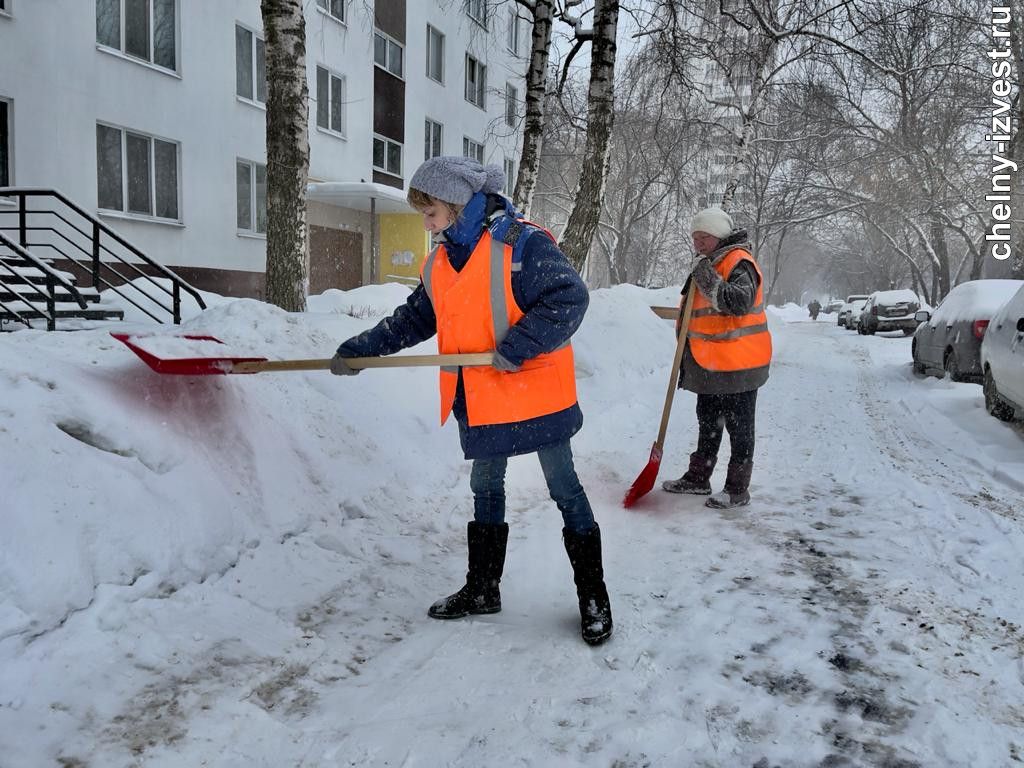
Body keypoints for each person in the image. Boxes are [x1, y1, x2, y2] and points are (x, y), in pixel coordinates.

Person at [329, 156, 612, 645]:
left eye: (430, 211)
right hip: (481, 397)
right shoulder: (442, 261)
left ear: (459, 205)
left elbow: (570, 297)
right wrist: (361, 349)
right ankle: (483, 588)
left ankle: (593, 597)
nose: (426, 222)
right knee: (485, 488)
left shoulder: (521, 244)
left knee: (564, 488)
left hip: (534, 390)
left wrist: (517, 345)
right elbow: (415, 318)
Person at [661, 207, 772, 509]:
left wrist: (706, 277)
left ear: (720, 235)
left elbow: (737, 301)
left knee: (740, 427)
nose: (698, 242)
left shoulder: (739, 262)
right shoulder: (711, 262)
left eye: (704, 236)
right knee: (708, 422)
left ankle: (737, 489)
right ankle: (699, 478)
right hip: (710, 364)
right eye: (695, 237)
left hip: (740, 364)